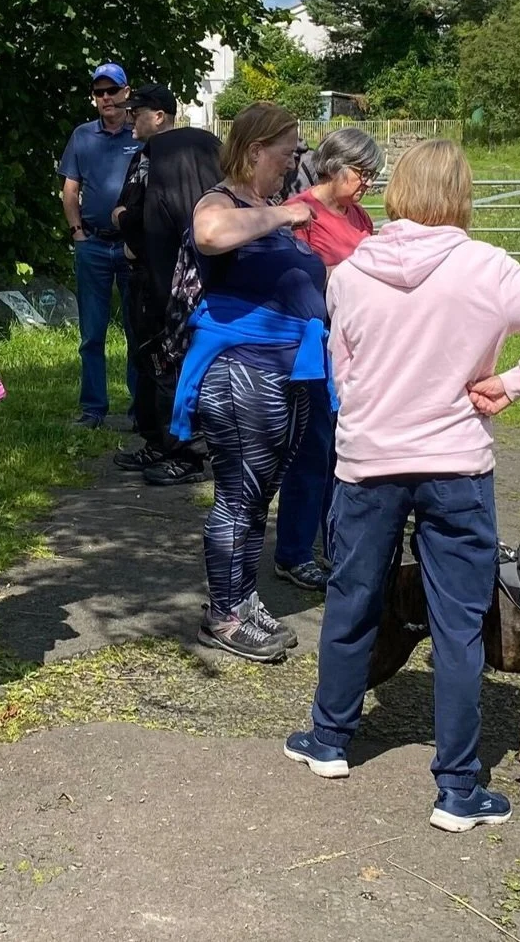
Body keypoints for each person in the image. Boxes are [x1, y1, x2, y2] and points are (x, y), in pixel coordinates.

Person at [282, 138, 520, 833]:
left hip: (369, 460)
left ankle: (328, 738)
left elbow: (343, 367)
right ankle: (457, 788)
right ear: (461, 194)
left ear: (394, 190)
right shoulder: (485, 267)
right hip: (454, 461)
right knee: (457, 623)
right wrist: (513, 384)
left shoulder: (351, 268)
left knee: (352, 598)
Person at [170, 101, 329, 662]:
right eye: (287, 152)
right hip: (241, 371)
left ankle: (244, 598)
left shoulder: (261, 204)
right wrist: (284, 217)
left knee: (257, 495)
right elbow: (210, 234)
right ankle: (223, 614)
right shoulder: (223, 200)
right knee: (238, 497)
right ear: (256, 150)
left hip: (286, 371)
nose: (293, 163)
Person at [273, 128, 383, 591]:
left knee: (344, 450)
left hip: (353, 347)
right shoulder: (302, 213)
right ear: (336, 166)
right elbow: (295, 280)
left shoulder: (358, 216)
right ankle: (293, 552)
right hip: (312, 346)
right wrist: (354, 274)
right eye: (363, 173)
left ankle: (333, 544)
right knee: (313, 449)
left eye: (373, 176)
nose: (368, 184)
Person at [112, 83, 220, 483]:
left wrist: (123, 220)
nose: (128, 120)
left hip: (168, 280)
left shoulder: (163, 156)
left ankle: (187, 453)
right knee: (153, 360)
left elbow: (130, 212)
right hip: (178, 277)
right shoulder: (201, 150)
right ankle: (160, 442)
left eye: (135, 113)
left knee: (168, 363)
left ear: (158, 115)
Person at [59, 62, 142, 429]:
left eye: (112, 91)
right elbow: (70, 189)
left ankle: (141, 409)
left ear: (127, 92)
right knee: (92, 332)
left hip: (132, 247)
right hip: (92, 244)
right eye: (99, 92)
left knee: (137, 329)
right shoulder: (82, 136)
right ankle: (93, 408)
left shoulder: (141, 134)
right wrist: (77, 232)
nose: (106, 98)